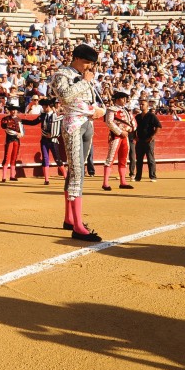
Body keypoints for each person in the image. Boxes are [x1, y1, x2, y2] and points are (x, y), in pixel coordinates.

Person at [50, 44, 105, 242]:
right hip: (73, 124)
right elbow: (65, 97)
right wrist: (85, 82)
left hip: (86, 124)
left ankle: (69, 219)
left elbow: (89, 100)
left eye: (92, 64)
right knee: (77, 173)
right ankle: (78, 226)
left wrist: (99, 110)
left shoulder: (85, 76)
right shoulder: (60, 74)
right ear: (75, 58)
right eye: (86, 62)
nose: (89, 67)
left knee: (77, 170)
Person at [21, 98, 65, 185]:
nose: (43, 108)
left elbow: (61, 128)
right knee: (45, 158)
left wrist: (54, 135)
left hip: (53, 140)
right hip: (44, 140)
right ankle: (46, 179)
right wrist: (22, 121)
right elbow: (33, 122)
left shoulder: (56, 116)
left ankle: (66, 176)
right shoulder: (43, 115)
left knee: (57, 159)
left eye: (44, 106)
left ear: (48, 106)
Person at [101, 91, 135, 191]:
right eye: (123, 98)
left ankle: (123, 182)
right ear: (117, 99)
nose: (125, 100)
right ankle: (105, 183)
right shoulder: (111, 109)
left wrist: (129, 130)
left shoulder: (126, 110)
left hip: (125, 136)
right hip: (115, 136)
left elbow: (132, 122)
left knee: (124, 159)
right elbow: (109, 122)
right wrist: (120, 132)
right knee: (110, 159)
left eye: (125, 98)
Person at [134, 98, 162, 182]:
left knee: (150, 159)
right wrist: (135, 136)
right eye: (140, 104)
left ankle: (153, 176)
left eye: (143, 104)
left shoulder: (151, 116)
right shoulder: (138, 117)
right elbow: (134, 127)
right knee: (139, 160)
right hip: (140, 141)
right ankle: (138, 177)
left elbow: (158, 126)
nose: (141, 106)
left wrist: (152, 136)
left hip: (148, 140)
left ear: (147, 106)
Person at [0, 104, 24, 182]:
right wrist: (17, 134)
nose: (14, 111)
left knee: (14, 157)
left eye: (15, 110)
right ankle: (3, 177)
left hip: (17, 140)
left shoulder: (19, 120)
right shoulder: (6, 119)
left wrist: (21, 134)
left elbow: (22, 130)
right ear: (10, 111)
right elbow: (7, 129)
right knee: (7, 157)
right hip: (9, 140)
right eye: (12, 110)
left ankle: (12, 176)